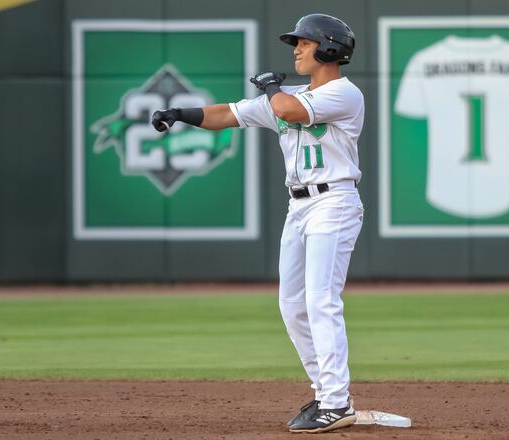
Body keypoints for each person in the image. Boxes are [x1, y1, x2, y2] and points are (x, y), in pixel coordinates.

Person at [151, 13, 364, 434]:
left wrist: (270, 87)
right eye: (296, 43)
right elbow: (229, 114)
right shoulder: (291, 94)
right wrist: (179, 113)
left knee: (321, 300)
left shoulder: (344, 93)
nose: (297, 49)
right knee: (292, 305)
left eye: (304, 42)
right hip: (299, 207)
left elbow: (285, 108)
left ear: (329, 48)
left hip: (334, 202)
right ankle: (327, 392)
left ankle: (336, 402)